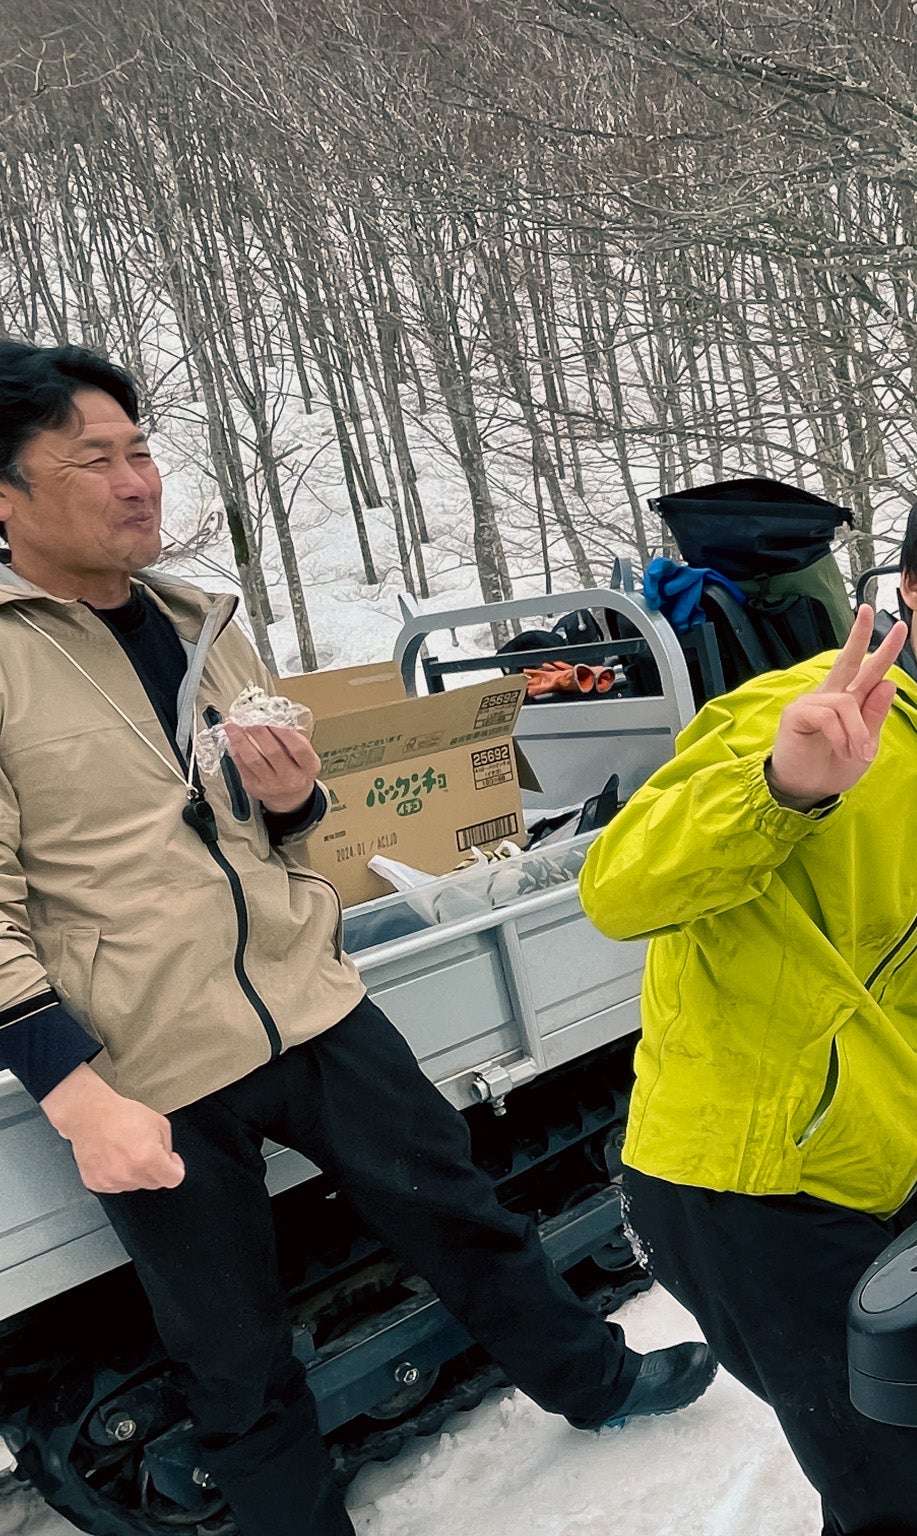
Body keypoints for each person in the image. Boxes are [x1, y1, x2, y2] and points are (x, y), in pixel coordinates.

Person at [0, 342, 716, 1536]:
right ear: (7, 494)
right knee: (231, 1350)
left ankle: (596, 1383)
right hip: (150, 1062)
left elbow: (280, 828)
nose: (137, 482)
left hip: (312, 1003)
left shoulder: (200, 616)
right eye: (94, 460)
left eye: (141, 452)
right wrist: (74, 1095)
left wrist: (291, 800)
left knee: (468, 1216)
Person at [580, 462, 917, 1536]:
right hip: (742, 1181)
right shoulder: (803, 711)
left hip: (858, 1164)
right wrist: (781, 792)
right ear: (914, 589)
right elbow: (618, 890)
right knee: (894, 1488)